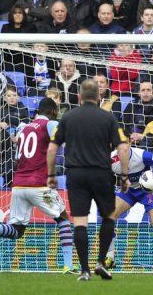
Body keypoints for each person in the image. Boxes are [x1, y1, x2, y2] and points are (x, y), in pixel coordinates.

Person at [0, 98, 78, 274]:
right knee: (63, 218)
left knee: (17, 230)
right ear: (52, 111)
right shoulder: (49, 124)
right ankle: (68, 266)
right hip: (38, 184)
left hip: (19, 184)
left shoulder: (24, 128)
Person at [46, 79, 130, 281]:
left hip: (76, 175)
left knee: (80, 223)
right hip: (102, 174)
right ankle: (101, 262)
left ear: (79, 97)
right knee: (108, 217)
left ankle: (84, 270)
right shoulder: (108, 117)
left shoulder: (67, 117)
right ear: (99, 97)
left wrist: (50, 175)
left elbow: (52, 148)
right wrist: (125, 175)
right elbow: (124, 147)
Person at [104, 146, 153, 270]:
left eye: (125, 144)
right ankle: (110, 258)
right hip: (128, 191)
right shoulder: (111, 160)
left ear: (130, 143)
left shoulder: (142, 155)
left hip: (148, 191)